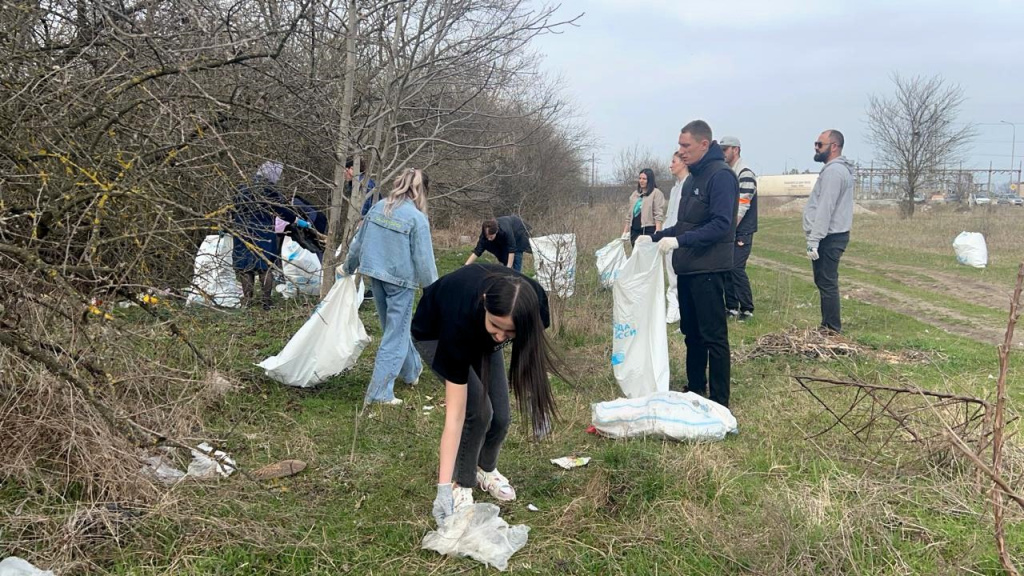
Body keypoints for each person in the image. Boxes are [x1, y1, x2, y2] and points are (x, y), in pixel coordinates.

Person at [412, 264, 560, 525]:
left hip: (476, 331)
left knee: (501, 417)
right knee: (479, 413)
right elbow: (455, 416)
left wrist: (534, 400)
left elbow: (528, 355)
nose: (501, 336)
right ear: (484, 303)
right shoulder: (457, 318)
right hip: (435, 334)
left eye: (510, 332)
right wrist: (442, 487)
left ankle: (485, 468)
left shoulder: (534, 305)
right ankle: (462, 483)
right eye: (496, 325)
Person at [644, 120, 738, 408]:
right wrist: (655, 237)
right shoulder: (692, 179)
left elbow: (722, 225)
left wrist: (680, 242)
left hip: (708, 269)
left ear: (703, 144)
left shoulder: (720, 176)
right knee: (692, 334)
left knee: (713, 336)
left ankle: (720, 399)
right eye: (680, 146)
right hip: (687, 269)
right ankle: (695, 387)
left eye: (686, 146)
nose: (681, 151)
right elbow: (684, 225)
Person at [343, 168, 438, 406]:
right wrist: (434, 291)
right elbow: (424, 260)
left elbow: (358, 241)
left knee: (394, 328)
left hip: (376, 277)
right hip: (401, 283)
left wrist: (347, 267)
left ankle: (411, 371)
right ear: (420, 190)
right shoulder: (416, 218)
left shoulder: (378, 208)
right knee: (394, 334)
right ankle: (379, 393)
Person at [230, 161, 312, 309]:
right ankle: (266, 301)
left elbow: (233, 207)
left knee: (245, 267)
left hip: (242, 230)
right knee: (265, 266)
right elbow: (282, 210)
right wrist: (297, 220)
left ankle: (247, 300)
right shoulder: (269, 190)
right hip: (264, 231)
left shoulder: (243, 187)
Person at [804, 129, 855, 333]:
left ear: (834, 147)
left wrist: (815, 239)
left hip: (829, 237)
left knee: (827, 283)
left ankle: (831, 329)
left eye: (820, 144)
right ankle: (827, 326)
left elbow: (826, 207)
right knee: (824, 282)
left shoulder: (834, 172)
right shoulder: (834, 170)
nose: (816, 148)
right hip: (830, 235)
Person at [720, 136, 758, 321]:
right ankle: (732, 307)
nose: (722, 153)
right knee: (726, 267)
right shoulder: (728, 173)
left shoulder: (745, 174)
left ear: (736, 150)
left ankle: (747, 308)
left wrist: (731, 227)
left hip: (741, 230)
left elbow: (743, 204)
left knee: (736, 267)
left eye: (725, 149)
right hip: (730, 230)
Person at [664, 151, 689, 325]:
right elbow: (669, 214)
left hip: (681, 238)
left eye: (674, 161)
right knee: (671, 275)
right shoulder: (674, 189)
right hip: (669, 235)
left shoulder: (690, 185)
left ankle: (684, 310)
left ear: (683, 163)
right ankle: (674, 307)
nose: (671, 165)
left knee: (682, 275)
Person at [464, 216, 533, 272]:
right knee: (504, 256)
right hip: (504, 237)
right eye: (487, 237)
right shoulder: (484, 236)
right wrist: (465, 266)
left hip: (519, 232)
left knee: (516, 257)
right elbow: (477, 251)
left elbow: (512, 249)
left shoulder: (505, 231)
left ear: (496, 232)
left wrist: (508, 269)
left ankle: (517, 277)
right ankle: (506, 276)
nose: (488, 239)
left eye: (491, 237)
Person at [622, 168, 666, 247]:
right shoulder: (635, 194)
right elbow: (629, 215)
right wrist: (625, 232)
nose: (641, 181)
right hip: (635, 230)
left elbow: (658, 214)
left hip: (648, 229)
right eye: (640, 178)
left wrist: (658, 231)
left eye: (644, 179)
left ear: (649, 180)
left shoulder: (656, 193)